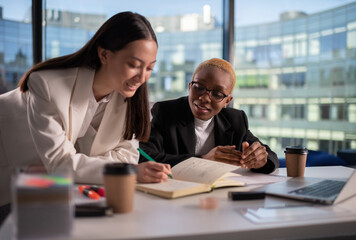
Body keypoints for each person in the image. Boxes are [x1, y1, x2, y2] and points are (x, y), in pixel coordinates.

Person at [0, 12, 171, 224]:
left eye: (149, 67)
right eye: (134, 65)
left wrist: (92, 164)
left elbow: (127, 156)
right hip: (10, 174)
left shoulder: (128, 96)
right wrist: (131, 171)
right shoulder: (47, 85)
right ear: (105, 55)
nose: (142, 77)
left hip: (55, 185)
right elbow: (61, 163)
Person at [139, 58, 279, 174]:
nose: (205, 98)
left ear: (227, 101)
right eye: (199, 87)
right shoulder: (166, 112)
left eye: (217, 94)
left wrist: (260, 159)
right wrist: (203, 160)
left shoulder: (235, 120)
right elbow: (144, 156)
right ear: (190, 86)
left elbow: (270, 156)